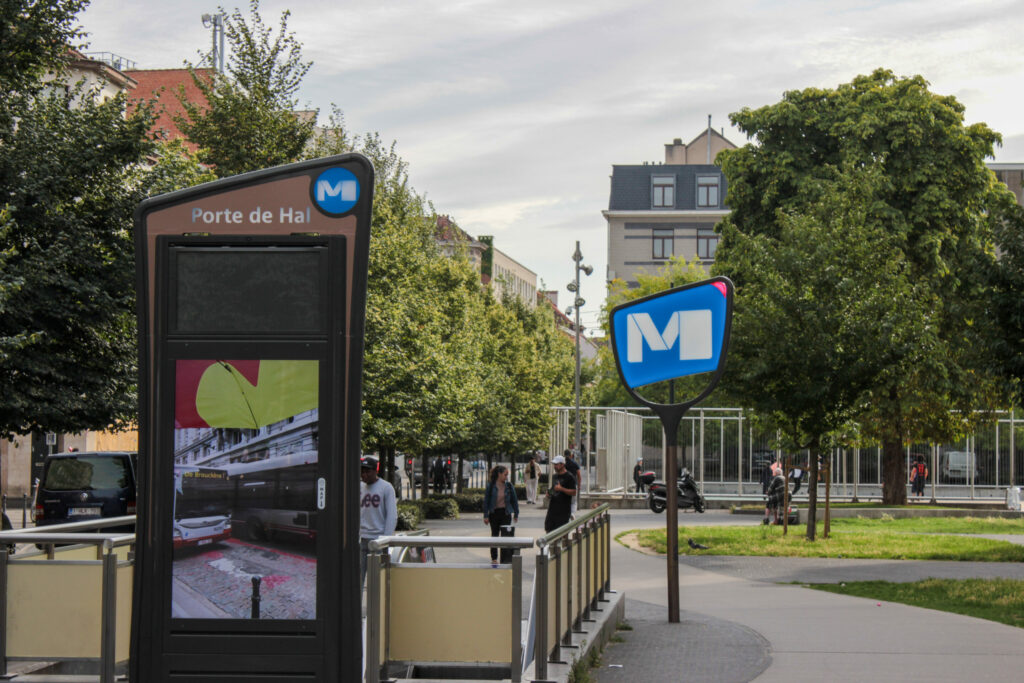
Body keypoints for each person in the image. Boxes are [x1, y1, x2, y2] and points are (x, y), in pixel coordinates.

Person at [359, 456, 397, 588]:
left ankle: (377, 602)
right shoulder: (360, 487)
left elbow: (392, 515)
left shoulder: (386, 488)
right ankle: (357, 602)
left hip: (378, 540)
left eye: (367, 471)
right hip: (362, 539)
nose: (364, 475)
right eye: (362, 471)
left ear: (376, 471)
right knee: (358, 577)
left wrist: (385, 539)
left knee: (377, 580)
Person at [483, 465, 520, 564]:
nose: (507, 477)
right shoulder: (491, 486)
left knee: (506, 537)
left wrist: (516, 514)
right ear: (499, 474)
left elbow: (514, 500)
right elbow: (486, 501)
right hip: (494, 514)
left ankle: (505, 558)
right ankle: (494, 558)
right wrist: (486, 515)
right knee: (494, 536)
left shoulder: (509, 486)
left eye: (507, 475)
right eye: (505, 474)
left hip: (506, 513)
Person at [544, 455, 577, 532]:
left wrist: (562, 489)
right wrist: (549, 493)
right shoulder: (555, 476)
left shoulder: (569, 477)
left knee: (561, 532)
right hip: (552, 509)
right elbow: (554, 488)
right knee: (548, 529)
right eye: (554, 464)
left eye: (556, 464)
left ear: (562, 464)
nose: (555, 466)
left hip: (563, 510)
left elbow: (574, 492)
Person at [562, 448, 581, 517]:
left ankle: (565, 513)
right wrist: (579, 485)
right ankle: (572, 513)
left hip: (564, 485)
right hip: (573, 484)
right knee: (574, 501)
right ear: (571, 455)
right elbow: (579, 475)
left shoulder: (563, 464)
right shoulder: (575, 464)